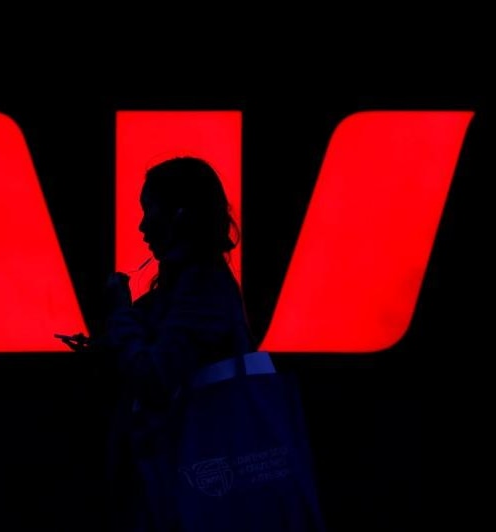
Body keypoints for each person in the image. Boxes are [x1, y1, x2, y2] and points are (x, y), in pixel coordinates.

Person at [62, 156, 325, 531]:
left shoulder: (200, 286)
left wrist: (121, 313)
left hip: (190, 483)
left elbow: (155, 378)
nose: (141, 225)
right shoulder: (188, 282)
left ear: (179, 215)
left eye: (148, 210)